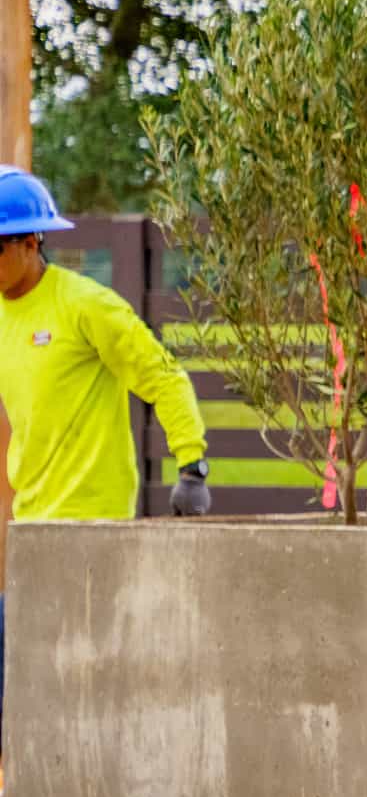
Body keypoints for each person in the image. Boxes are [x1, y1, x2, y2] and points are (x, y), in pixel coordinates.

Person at [0, 169, 216, 747]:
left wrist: (191, 464)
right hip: (32, 528)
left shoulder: (85, 306)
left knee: (87, 681)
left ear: (31, 243)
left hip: (94, 527)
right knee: (27, 680)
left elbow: (163, 376)